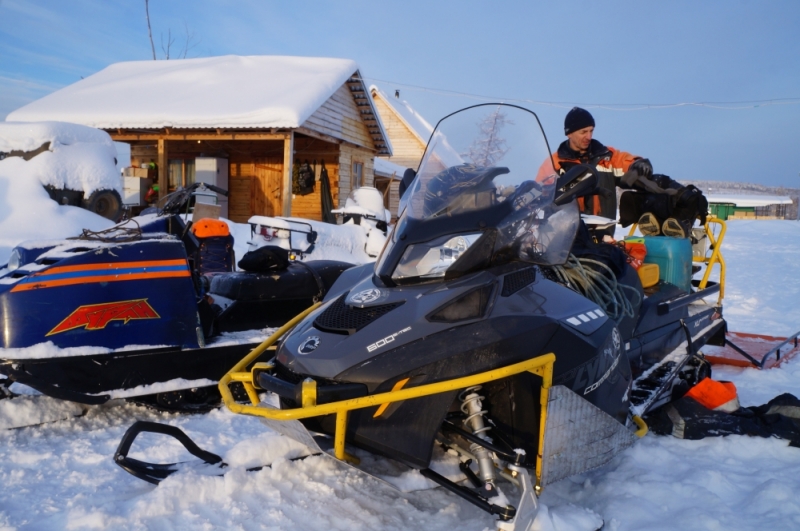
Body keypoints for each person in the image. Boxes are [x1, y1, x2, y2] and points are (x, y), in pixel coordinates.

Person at [542, 107, 707, 238]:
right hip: (567, 239)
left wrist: (638, 164)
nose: (589, 136)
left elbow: (624, 161)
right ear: (569, 133)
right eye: (583, 132)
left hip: (603, 234)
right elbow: (542, 196)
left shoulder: (606, 157)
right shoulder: (555, 163)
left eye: (591, 130)